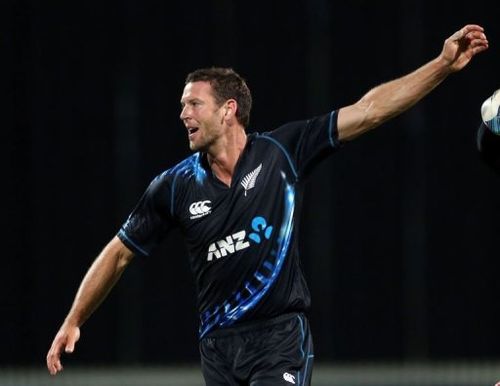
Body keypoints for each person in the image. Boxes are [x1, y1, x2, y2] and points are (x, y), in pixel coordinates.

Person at [47, 24, 488, 385]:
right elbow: (120, 251)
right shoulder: (174, 186)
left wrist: (443, 66)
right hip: (217, 347)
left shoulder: (281, 153)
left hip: (277, 337)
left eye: (194, 103)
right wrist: (74, 318)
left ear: (228, 110)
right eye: (182, 105)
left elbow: (369, 110)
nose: (183, 114)